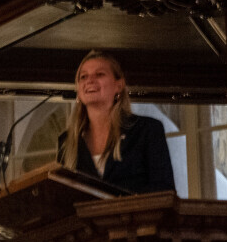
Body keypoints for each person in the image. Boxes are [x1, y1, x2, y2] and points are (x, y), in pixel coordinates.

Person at [57, 50, 176, 194]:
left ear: (118, 85)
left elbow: (164, 190)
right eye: (83, 76)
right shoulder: (66, 142)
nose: (90, 80)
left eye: (99, 74)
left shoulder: (147, 130)